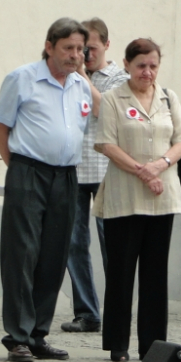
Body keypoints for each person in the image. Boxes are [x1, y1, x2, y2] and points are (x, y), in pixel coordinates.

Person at [0, 18, 91, 362]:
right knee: (22, 254)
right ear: (49, 46)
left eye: (80, 49)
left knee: (54, 254)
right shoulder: (22, 78)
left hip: (66, 177)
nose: (75, 55)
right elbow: (0, 129)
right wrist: (19, 169)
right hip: (28, 172)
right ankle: (17, 335)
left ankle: (38, 335)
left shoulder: (81, 85)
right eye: (68, 48)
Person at [93, 38, 181, 362]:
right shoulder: (112, 98)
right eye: (141, 66)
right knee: (121, 272)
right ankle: (118, 344)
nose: (147, 72)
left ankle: (152, 345)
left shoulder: (168, 97)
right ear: (126, 64)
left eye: (153, 66)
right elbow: (107, 143)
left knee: (155, 273)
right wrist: (142, 171)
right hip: (125, 197)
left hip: (162, 200)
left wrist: (160, 165)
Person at [61, 18, 129, 334]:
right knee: (74, 244)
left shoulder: (119, 78)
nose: (84, 53)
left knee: (111, 245)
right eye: (80, 48)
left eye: (91, 47)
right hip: (74, 167)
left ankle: (116, 313)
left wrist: (82, 78)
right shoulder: (66, 74)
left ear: (106, 44)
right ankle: (87, 313)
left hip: (106, 170)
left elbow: (105, 112)